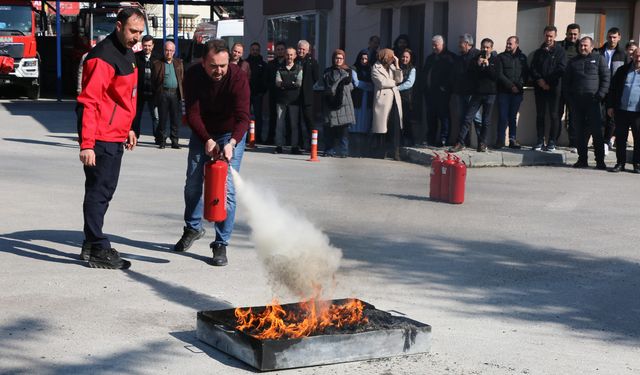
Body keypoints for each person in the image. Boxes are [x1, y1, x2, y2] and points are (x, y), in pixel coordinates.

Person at [76, 7, 144, 269]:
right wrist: (87, 143)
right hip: (100, 137)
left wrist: (128, 128)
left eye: (140, 32)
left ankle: (90, 244)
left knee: (105, 190)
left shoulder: (128, 53)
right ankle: (98, 247)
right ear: (118, 26)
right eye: (132, 31)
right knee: (98, 191)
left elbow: (122, 97)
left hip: (115, 134)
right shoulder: (102, 57)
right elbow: (89, 102)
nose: (136, 37)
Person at [175, 39, 250, 266]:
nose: (219, 71)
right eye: (214, 66)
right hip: (203, 131)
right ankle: (193, 228)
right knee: (193, 182)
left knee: (227, 189)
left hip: (230, 132)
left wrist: (232, 143)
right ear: (203, 62)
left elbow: (243, 117)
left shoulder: (238, 78)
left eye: (223, 66)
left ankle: (221, 243)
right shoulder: (193, 75)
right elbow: (193, 114)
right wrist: (207, 139)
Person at [562, 36, 609, 169]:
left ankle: (600, 161)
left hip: (594, 102)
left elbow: (606, 78)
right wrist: (569, 99)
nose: (582, 48)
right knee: (580, 133)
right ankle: (582, 160)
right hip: (577, 103)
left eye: (585, 45)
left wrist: (600, 95)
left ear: (592, 46)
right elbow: (566, 82)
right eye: (581, 45)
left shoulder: (599, 59)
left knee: (597, 133)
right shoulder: (573, 62)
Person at [450, 38, 500, 153]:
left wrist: (488, 65)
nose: (485, 49)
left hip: (490, 94)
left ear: (491, 48)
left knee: (486, 120)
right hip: (477, 93)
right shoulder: (475, 59)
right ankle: (460, 142)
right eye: (483, 47)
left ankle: (482, 144)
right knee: (468, 117)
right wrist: (478, 65)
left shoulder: (495, 60)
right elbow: (471, 74)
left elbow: (495, 77)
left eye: (487, 47)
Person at [530, 25, 567, 151]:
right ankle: (540, 140)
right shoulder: (539, 51)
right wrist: (540, 80)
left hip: (554, 87)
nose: (549, 38)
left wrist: (548, 83)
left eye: (551, 36)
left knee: (554, 115)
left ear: (555, 36)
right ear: (544, 35)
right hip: (540, 87)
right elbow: (533, 68)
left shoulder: (560, 51)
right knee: (540, 114)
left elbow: (561, 69)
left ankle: (552, 141)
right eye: (547, 35)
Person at [606, 48, 640, 173]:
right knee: (620, 138)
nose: (638, 59)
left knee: (638, 139)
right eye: (636, 56)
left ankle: (637, 164)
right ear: (632, 56)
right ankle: (620, 163)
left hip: (638, 112)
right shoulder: (622, 70)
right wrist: (610, 106)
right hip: (622, 111)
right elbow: (612, 89)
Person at [495, 36, 528, 149]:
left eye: (510, 44)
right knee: (503, 117)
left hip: (517, 93)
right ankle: (500, 140)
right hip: (504, 92)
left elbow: (525, 74)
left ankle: (512, 140)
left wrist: (518, 86)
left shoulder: (522, 58)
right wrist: (511, 86)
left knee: (512, 117)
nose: (508, 45)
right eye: (507, 43)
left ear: (516, 44)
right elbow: (499, 74)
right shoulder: (501, 57)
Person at [422, 35, 455, 147]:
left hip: (442, 93)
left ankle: (444, 138)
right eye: (433, 45)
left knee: (444, 115)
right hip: (430, 92)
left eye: (436, 45)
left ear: (442, 45)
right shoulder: (430, 58)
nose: (434, 47)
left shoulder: (449, 57)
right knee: (431, 116)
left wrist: (445, 87)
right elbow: (425, 73)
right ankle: (430, 138)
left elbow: (452, 75)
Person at [322, 49, 355, 158]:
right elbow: (325, 84)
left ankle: (343, 151)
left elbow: (349, 84)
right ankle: (329, 150)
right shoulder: (327, 71)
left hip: (344, 104)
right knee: (329, 130)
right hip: (330, 102)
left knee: (343, 131)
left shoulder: (348, 71)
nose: (338, 60)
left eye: (341, 58)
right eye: (337, 58)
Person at [599, 27, 628, 153]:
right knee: (599, 116)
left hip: (615, 90)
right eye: (610, 37)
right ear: (606, 37)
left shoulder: (623, 54)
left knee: (611, 118)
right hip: (600, 89)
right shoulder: (599, 52)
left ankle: (606, 141)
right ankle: (599, 141)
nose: (612, 39)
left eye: (614, 37)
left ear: (619, 38)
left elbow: (625, 73)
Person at [371, 48, 403, 160]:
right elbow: (381, 83)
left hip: (394, 99)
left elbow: (400, 79)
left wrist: (397, 64)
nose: (392, 59)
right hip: (383, 101)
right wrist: (394, 83)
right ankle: (381, 152)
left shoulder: (392, 66)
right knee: (382, 128)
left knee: (395, 127)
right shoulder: (376, 67)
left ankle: (396, 153)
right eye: (391, 56)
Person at [152, 41, 184, 149]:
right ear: (163, 50)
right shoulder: (157, 64)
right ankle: (162, 141)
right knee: (162, 119)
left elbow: (181, 78)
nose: (168, 52)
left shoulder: (179, 63)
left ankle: (174, 141)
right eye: (167, 50)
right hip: (163, 94)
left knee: (175, 119)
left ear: (174, 52)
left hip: (175, 94)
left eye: (171, 50)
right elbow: (154, 80)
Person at [450, 33, 480, 147]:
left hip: (472, 92)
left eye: (460, 43)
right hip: (460, 91)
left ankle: (481, 141)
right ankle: (463, 142)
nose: (459, 45)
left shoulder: (476, 55)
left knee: (476, 118)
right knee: (462, 117)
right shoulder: (459, 57)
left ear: (467, 44)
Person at [274, 47, 303, 154]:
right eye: (287, 54)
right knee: (279, 124)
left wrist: (284, 84)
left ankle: (294, 147)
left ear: (295, 56)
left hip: (294, 100)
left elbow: (299, 83)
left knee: (294, 124)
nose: (289, 57)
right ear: (285, 55)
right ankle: (278, 146)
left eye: (291, 55)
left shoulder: (299, 68)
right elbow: (277, 82)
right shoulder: (280, 68)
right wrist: (292, 84)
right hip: (281, 100)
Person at [132, 35, 159, 142]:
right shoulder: (136, 57)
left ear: (153, 46)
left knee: (156, 116)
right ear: (141, 45)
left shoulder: (158, 58)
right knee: (136, 116)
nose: (147, 48)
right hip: (139, 92)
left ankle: (158, 137)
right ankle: (135, 137)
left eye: (149, 45)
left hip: (153, 93)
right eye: (145, 45)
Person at [559, 23, 581, 150]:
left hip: (575, 87)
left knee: (573, 116)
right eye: (570, 34)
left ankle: (573, 142)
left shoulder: (582, 46)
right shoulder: (559, 46)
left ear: (578, 35)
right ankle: (552, 141)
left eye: (575, 34)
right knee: (556, 114)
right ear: (566, 34)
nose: (572, 36)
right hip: (560, 85)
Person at [296, 40, 319, 150]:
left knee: (309, 120)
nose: (301, 51)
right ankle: (299, 143)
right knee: (296, 121)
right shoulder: (294, 60)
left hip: (307, 96)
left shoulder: (312, 62)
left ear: (308, 50)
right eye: (299, 48)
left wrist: (307, 86)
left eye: (303, 49)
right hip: (295, 96)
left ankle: (312, 144)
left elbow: (316, 78)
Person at [350, 50, 373, 157]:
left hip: (367, 100)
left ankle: (362, 150)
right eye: (362, 59)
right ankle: (354, 148)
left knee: (365, 122)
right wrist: (368, 86)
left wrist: (368, 86)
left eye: (366, 59)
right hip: (357, 98)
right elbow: (356, 83)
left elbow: (374, 85)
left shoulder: (371, 69)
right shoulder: (354, 69)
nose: (364, 61)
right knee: (356, 122)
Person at [246, 42, 268, 143]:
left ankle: (258, 137)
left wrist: (262, 92)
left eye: (257, 50)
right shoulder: (245, 63)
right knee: (245, 116)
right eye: (253, 49)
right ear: (250, 50)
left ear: (259, 51)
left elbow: (265, 80)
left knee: (258, 117)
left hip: (258, 94)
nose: (255, 51)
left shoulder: (263, 64)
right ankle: (245, 137)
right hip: (246, 94)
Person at [266, 41, 286, 144]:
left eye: (282, 49)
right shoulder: (271, 64)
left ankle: (287, 139)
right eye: (278, 49)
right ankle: (271, 138)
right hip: (273, 94)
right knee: (273, 116)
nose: (280, 51)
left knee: (286, 118)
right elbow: (267, 78)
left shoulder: (288, 63)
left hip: (285, 94)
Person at [397, 48, 416, 146]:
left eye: (407, 57)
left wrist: (397, 88)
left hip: (406, 98)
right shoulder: (397, 67)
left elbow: (409, 83)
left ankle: (409, 142)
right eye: (403, 57)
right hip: (396, 97)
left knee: (406, 120)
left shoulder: (412, 69)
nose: (404, 59)